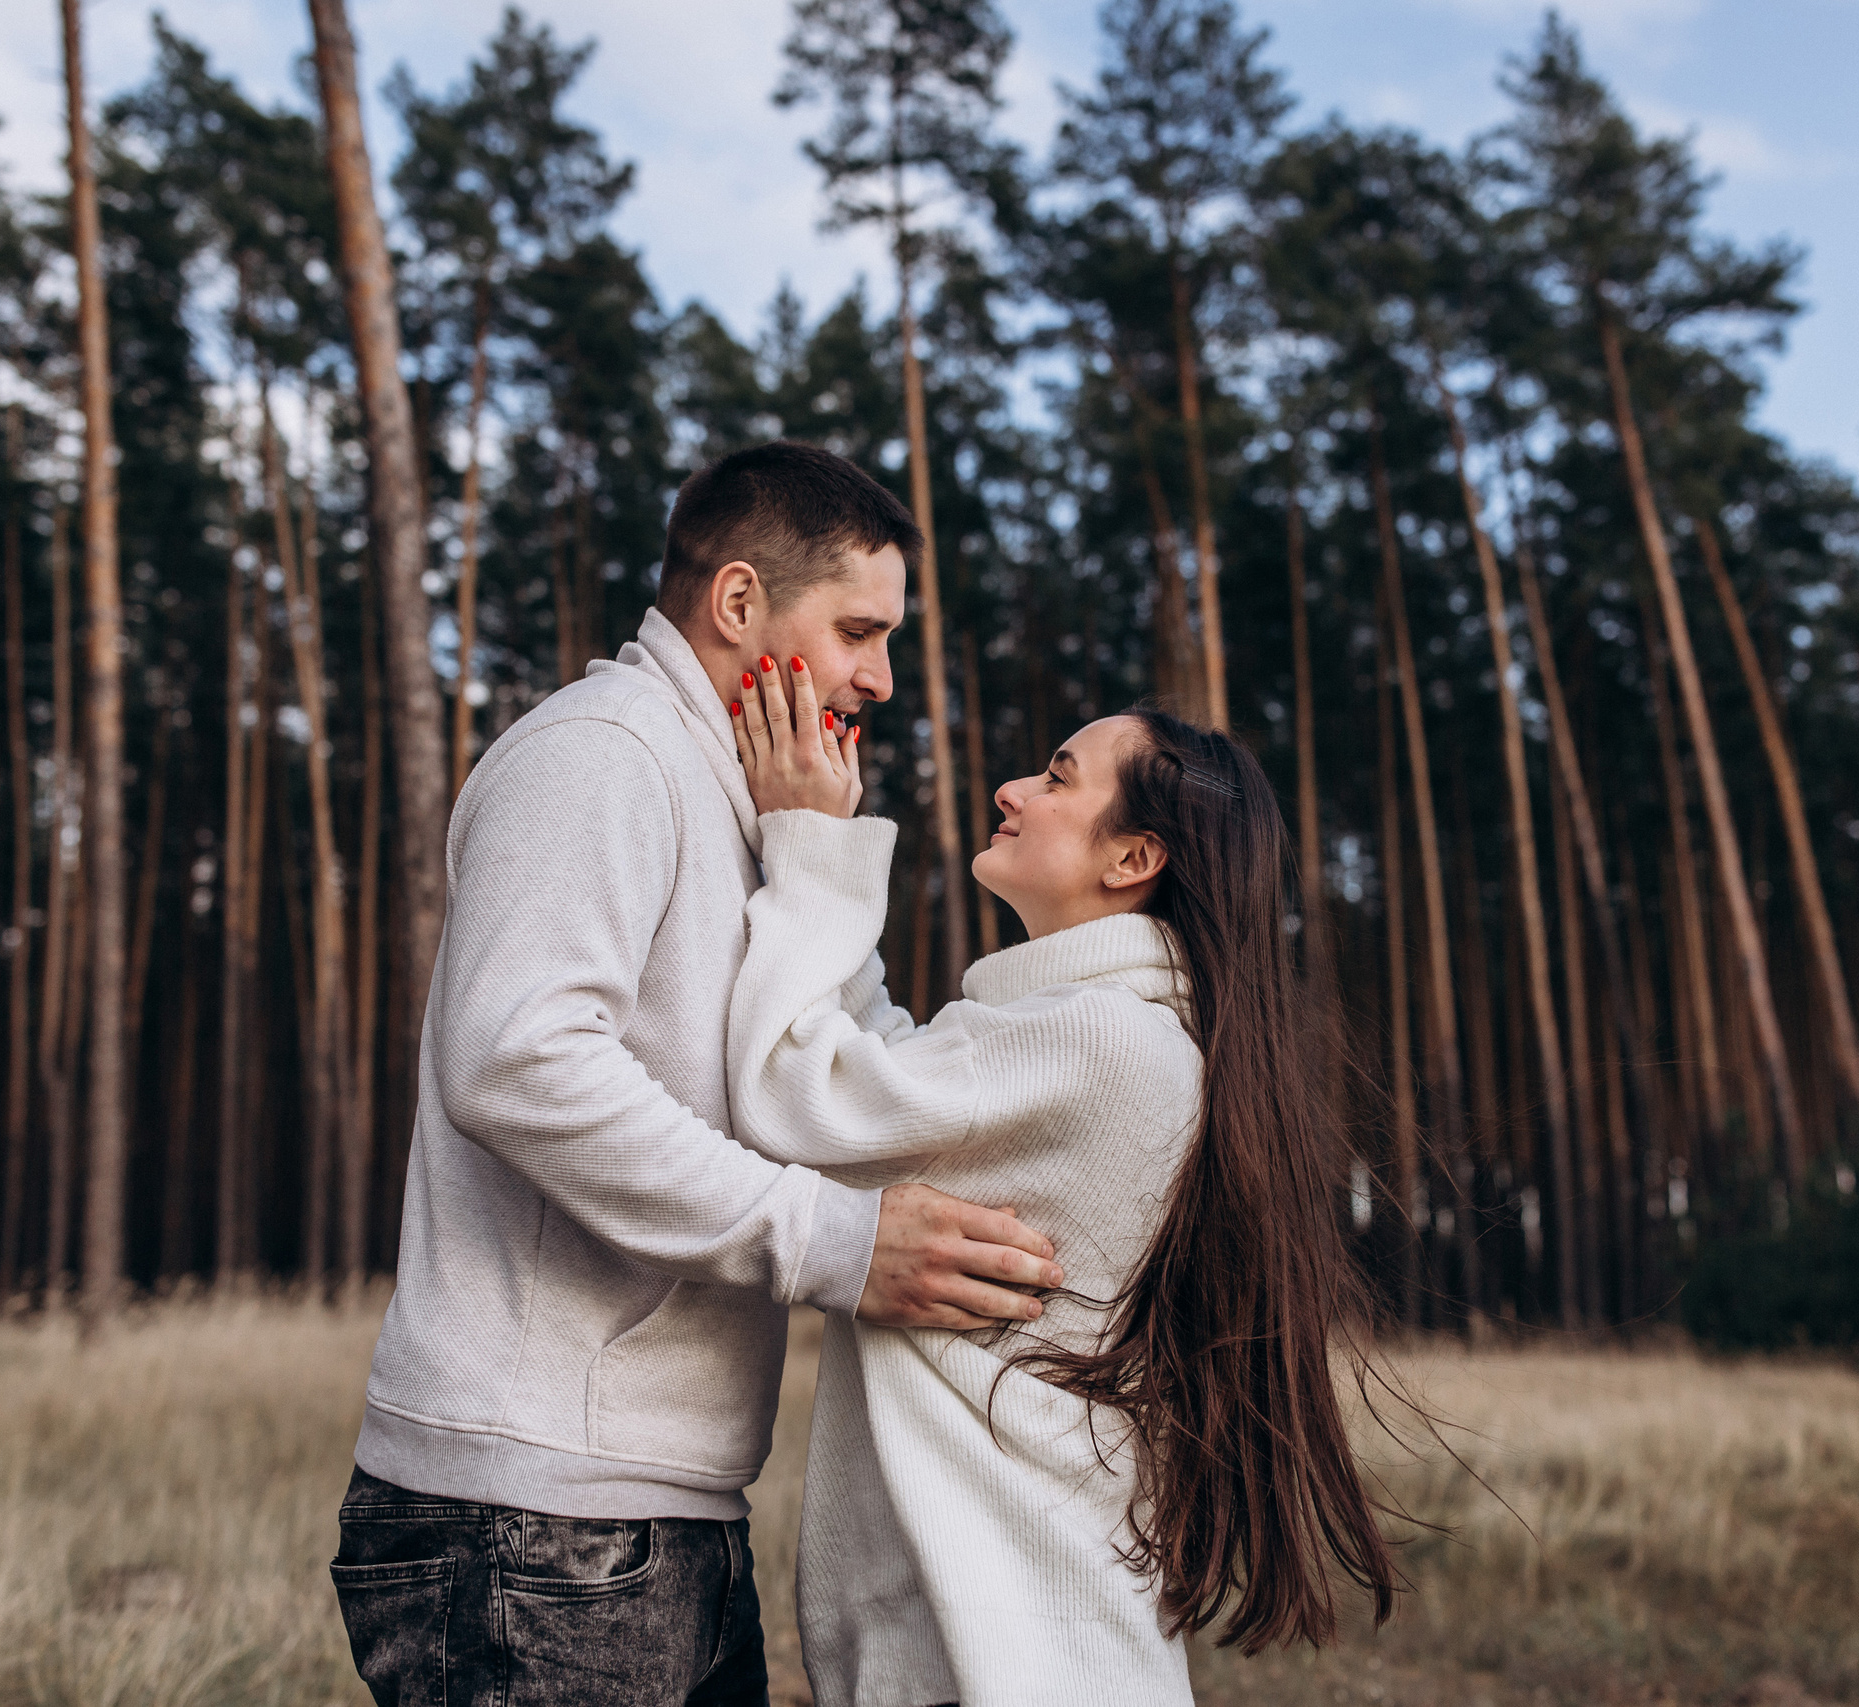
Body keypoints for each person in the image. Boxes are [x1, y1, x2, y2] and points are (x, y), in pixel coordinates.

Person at [331, 442, 1066, 1707]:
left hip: (645, 1514)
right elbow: (516, 1059)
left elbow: (848, 1077)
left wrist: (814, 854)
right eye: (857, 632)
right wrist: (833, 1245)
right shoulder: (602, 753)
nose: (880, 679)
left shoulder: (734, 798)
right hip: (530, 1518)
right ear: (738, 604)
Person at [724, 675, 1403, 1704]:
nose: (1012, 788)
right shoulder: (1124, 1036)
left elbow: (800, 1095)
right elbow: (888, 1083)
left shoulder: (1095, 1039)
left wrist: (808, 842)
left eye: (1056, 777)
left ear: (1133, 859)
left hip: (1004, 1669)